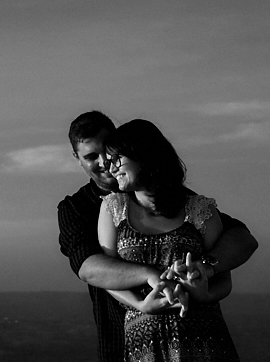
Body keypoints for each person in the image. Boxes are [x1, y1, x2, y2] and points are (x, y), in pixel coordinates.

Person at [57, 111, 257, 362]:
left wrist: (205, 268)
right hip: (125, 341)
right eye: (91, 156)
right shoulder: (83, 208)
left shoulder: (188, 204)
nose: (106, 163)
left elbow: (239, 240)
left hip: (200, 340)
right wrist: (150, 279)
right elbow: (89, 267)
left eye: (110, 153)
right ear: (77, 159)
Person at [98, 119, 242, 361]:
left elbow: (224, 279)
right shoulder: (114, 208)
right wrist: (140, 304)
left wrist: (204, 294)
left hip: (203, 342)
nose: (111, 168)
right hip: (145, 344)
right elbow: (108, 276)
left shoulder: (198, 209)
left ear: (142, 154)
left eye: (116, 159)